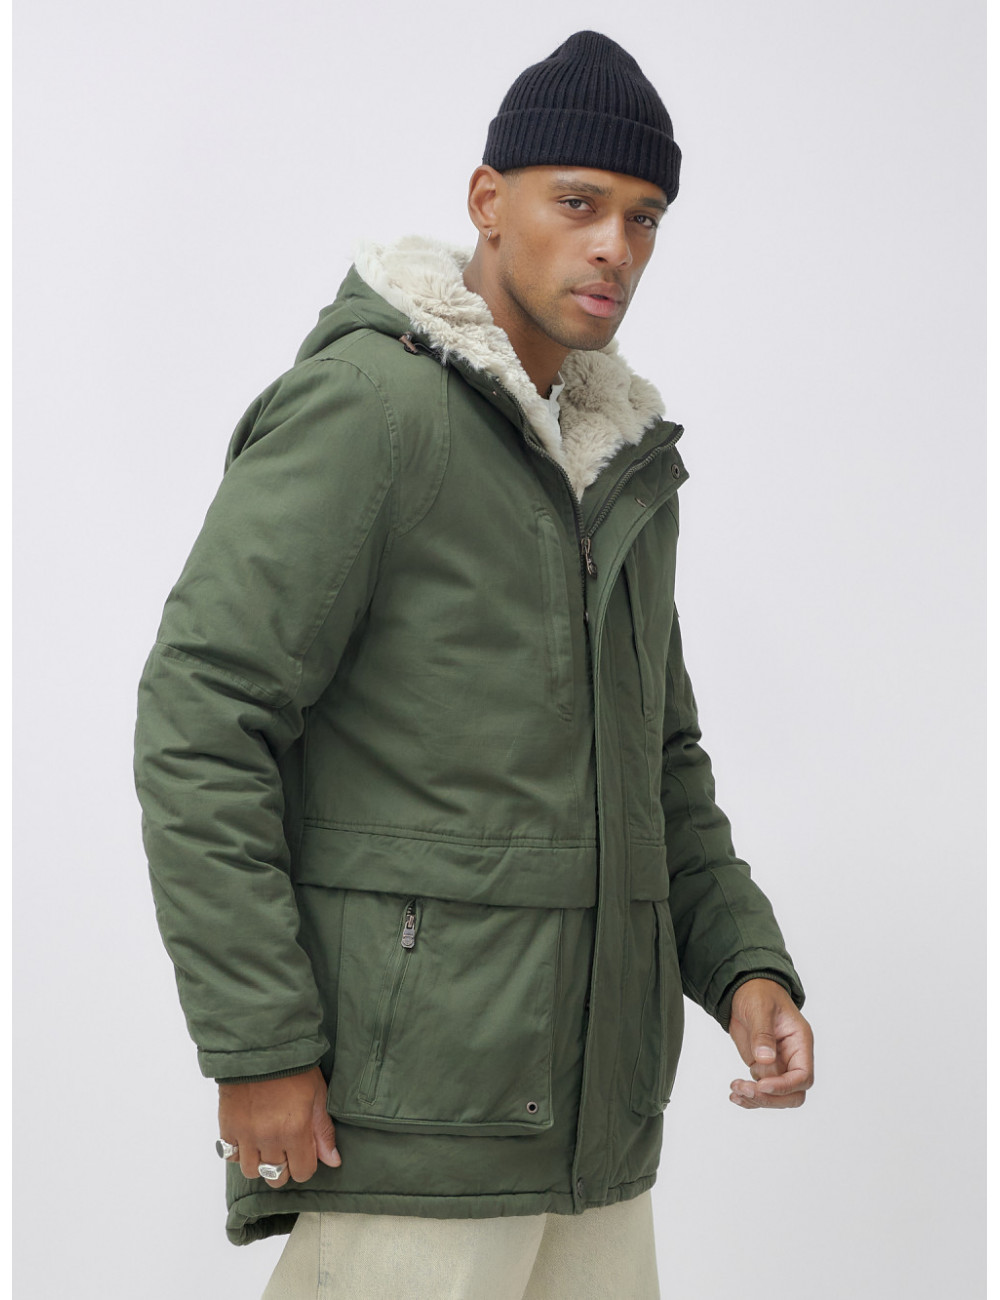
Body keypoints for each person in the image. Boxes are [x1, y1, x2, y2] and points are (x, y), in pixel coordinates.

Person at [134, 30, 814, 1300]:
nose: (615, 247)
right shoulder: (374, 409)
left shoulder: (620, 465)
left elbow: (660, 763)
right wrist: (258, 1042)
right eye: (579, 203)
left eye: (644, 218)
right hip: (415, 1117)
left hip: (594, 1131)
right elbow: (202, 716)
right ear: (486, 202)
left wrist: (743, 964)